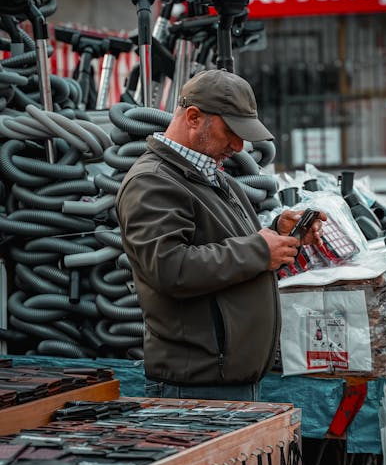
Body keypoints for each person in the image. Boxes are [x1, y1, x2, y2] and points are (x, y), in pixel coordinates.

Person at [116, 68, 325, 402]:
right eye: (231, 131)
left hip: (224, 380)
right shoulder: (152, 182)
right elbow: (171, 269)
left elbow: (222, 246)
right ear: (195, 117)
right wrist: (259, 250)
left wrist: (277, 235)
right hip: (195, 386)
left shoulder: (211, 176)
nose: (239, 145)